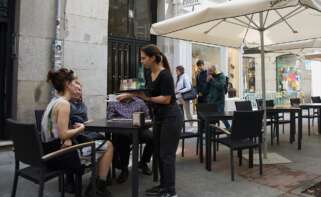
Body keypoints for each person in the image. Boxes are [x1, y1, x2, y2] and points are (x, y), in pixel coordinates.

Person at [117, 45, 183, 197]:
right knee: (159, 153)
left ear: (153, 58)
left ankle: (170, 191)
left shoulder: (165, 74)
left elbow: (166, 99)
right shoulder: (148, 73)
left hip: (171, 117)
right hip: (159, 117)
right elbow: (145, 92)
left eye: (143, 58)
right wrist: (130, 95)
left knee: (167, 155)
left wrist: (145, 98)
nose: (141, 61)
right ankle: (163, 186)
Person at [41, 68, 113, 197]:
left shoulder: (54, 101)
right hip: (61, 156)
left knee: (97, 142)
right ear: (68, 84)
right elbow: (63, 135)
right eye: (75, 82)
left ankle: (95, 186)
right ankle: (98, 187)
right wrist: (81, 128)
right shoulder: (64, 104)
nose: (78, 85)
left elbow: (59, 132)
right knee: (108, 145)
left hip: (50, 154)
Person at [107, 96, 154, 184]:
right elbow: (109, 118)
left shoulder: (139, 101)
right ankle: (124, 169)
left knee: (153, 138)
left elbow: (147, 117)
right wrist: (123, 122)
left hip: (138, 129)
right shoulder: (113, 102)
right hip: (121, 130)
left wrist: (141, 121)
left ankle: (143, 162)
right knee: (122, 138)